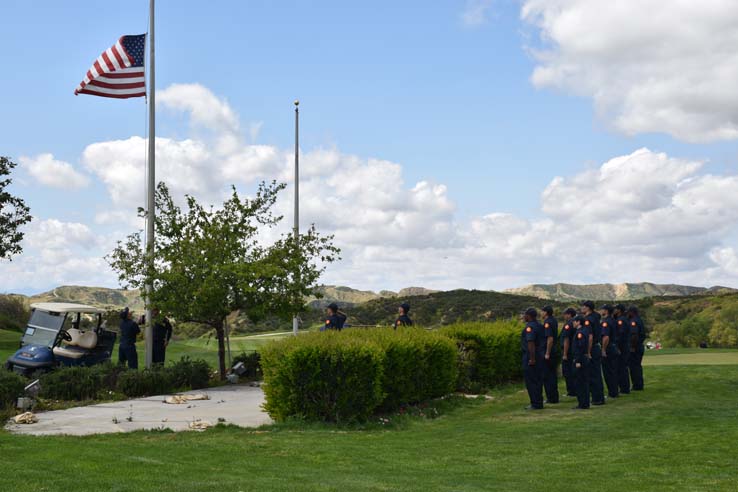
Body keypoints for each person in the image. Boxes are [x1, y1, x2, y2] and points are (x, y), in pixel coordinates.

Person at [581, 300, 605, 405]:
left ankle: (597, 398)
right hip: (596, 347)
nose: (582, 308)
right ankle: (599, 397)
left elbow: (590, 336)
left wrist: (588, 351)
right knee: (596, 374)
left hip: (592, 348)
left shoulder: (588, 320)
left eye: (584, 306)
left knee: (592, 375)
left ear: (588, 308)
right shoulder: (596, 317)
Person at [521, 307, 545, 410]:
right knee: (538, 380)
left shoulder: (529, 327)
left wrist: (531, 359)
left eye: (524, 314)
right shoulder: (539, 325)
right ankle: (539, 402)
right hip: (540, 356)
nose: (523, 316)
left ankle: (535, 403)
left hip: (532, 356)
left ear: (528, 316)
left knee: (531, 381)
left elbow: (531, 343)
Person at [571, 315, 591, 409]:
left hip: (580, 359)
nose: (573, 323)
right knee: (583, 381)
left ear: (578, 322)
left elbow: (580, 347)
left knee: (580, 382)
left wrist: (578, 361)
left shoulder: (580, 333)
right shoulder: (583, 331)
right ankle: (584, 403)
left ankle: (582, 403)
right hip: (582, 358)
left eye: (574, 321)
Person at [599, 304, 620, 399]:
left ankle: (612, 392)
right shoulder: (613, 321)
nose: (601, 311)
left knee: (608, 372)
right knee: (613, 370)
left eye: (602, 309)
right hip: (614, 346)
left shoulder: (606, 322)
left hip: (608, 348)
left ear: (606, 311)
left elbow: (606, 336)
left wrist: (603, 349)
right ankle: (615, 391)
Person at [541, 305, 559, 404]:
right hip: (553, 350)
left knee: (548, 376)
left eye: (542, 311)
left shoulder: (547, 322)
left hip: (549, 351)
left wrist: (547, 352)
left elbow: (550, 338)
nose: (541, 313)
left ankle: (551, 398)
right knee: (552, 375)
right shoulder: (554, 320)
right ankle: (554, 397)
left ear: (546, 312)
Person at [627, 306, 646, 390]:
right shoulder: (639, 320)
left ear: (632, 312)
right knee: (637, 366)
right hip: (639, 346)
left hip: (635, 347)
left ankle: (637, 385)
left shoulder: (633, 321)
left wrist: (632, 346)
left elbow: (634, 335)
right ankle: (639, 384)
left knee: (634, 367)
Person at [560, 307, 578, 397]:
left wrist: (564, 354)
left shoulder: (569, 324)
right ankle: (574, 390)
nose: (564, 316)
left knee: (568, 372)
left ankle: (572, 391)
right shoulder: (575, 323)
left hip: (568, 351)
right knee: (573, 371)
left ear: (569, 314)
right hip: (574, 350)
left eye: (565, 314)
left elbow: (566, 339)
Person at [614, 304, 631, 394]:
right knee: (623, 367)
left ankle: (624, 388)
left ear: (619, 310)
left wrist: (617, 346)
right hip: (625, 346)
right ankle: (625, 387)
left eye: (616, 309)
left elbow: (620, 335)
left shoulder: (620, 320)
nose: (614, 310)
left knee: (621, 367)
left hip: (622, 346)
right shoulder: (623, 319)